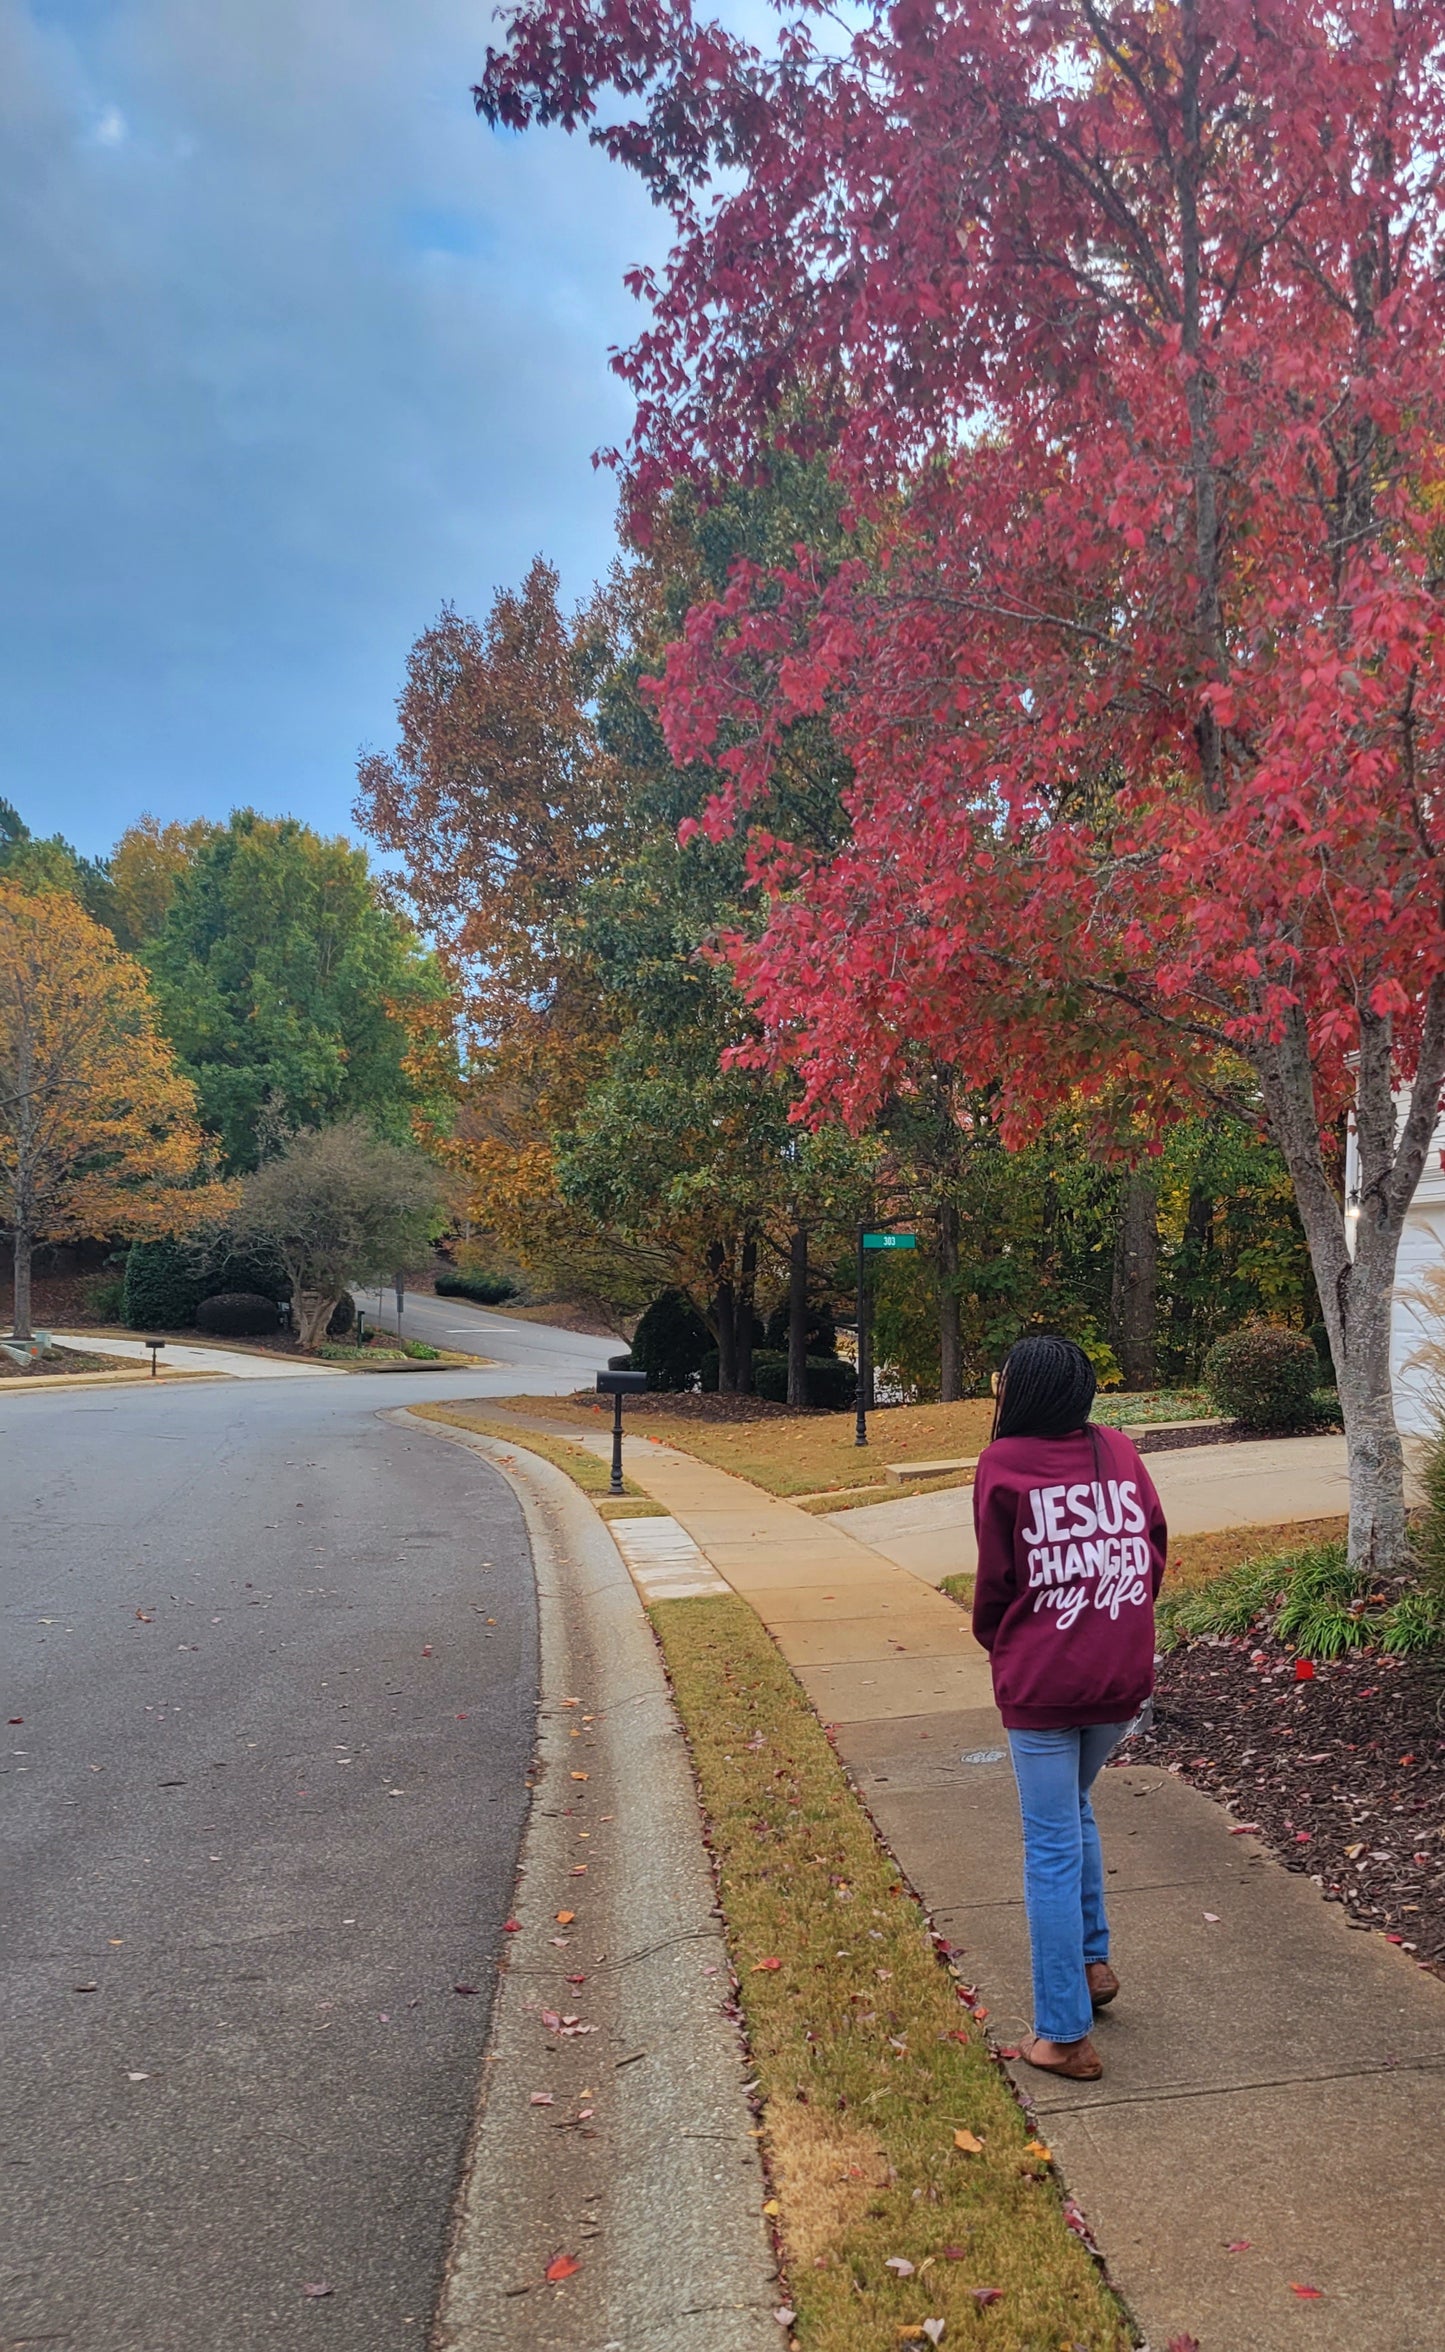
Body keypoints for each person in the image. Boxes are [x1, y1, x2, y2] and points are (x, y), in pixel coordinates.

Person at [971, 1334, 1167, 2081]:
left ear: (1021, 1392)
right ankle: (1089, 1961)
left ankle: (1060, 2035)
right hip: (1119, 1674)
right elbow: (1152, 1546)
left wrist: (1000, 1643)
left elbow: (996, 1580)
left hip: (1044, 1681)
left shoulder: (1002, 1463)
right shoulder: (1117, 1448)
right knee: (1073, 1811)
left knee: (1049, 1843)